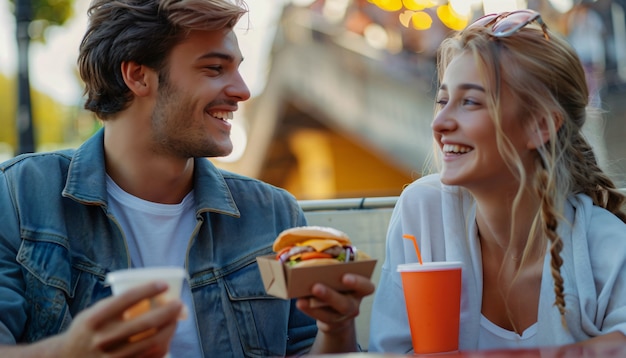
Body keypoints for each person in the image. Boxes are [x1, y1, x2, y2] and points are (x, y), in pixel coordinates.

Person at [0, 0, 374, 356]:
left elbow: (309, 350)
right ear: (137, 76)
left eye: (238, 68)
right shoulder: (19, 196)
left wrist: (336, 328)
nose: (242, 90)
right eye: (214, 68)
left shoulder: (273, 213)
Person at [368, 9, 626, 353]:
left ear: (540, 126)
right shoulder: (422, 212)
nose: (440, 122)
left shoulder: (606, 246)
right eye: (442, 100)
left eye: (470, 102)